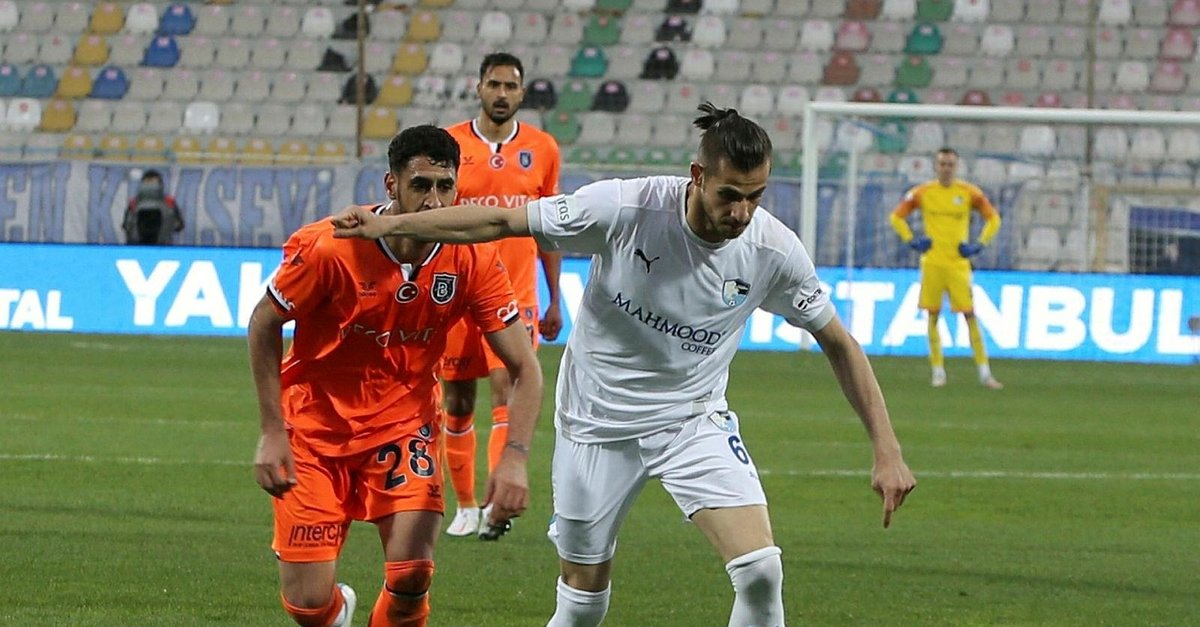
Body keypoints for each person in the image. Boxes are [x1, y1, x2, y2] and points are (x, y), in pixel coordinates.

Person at [331, 103, 917, 627]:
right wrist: (390, 224)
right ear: (697, 176)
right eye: (730, 195)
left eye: (755, 197)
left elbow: (839, 342)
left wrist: (886, 449)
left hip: (692, 421)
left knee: (761, 570)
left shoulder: (773, 250)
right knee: (583, 601)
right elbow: (502, 222)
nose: (742, 212)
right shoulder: (625, 208)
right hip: (595, 424)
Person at [248, 125, 543, 627]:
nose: (434, 202)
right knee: (309, 605)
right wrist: (273, 431)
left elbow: (525, 367)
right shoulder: (330, 247)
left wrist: (513, 458)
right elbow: (264, 323)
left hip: (405, 430)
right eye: (420, 185)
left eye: (445, 187)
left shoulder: (472, 257)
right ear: (392, 185)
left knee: (412, 574)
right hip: (314, 432)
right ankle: (336, 611)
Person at [440, 51, 564, 539]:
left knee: (506, 392)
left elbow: (549, 229)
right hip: (456, 292)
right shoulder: (450, 144)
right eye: (494, 84)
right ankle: (466, 506)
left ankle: (494, 509)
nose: (501, 93)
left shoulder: (543, 148)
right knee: (456, 401)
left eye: (510, 86)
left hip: (514, 296)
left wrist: (555, 298)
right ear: (478, 88)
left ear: (522, 92)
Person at [889, 147, 1004, 389]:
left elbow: (993, 218)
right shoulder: (923, 192)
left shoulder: (969, 193)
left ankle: (985, 373)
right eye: (942, 164)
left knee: (969, 315)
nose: (946, 169)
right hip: (932, 263)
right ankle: (938, 372)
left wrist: (979, 245)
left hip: (958, 265)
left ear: (957, 166)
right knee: (932, 316)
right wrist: (911, 240)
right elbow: (896, 217)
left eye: (950, 164)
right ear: (935, 166)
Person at [122, 169, 184, 245]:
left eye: (153, 183)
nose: (151, 187)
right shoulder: (134, 203)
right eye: (148, 183)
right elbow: (126, 225)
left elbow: (179, 225)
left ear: (160, 185)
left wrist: (167, 222)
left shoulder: (169, 202)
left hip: (162, 245)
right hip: (137, 245)